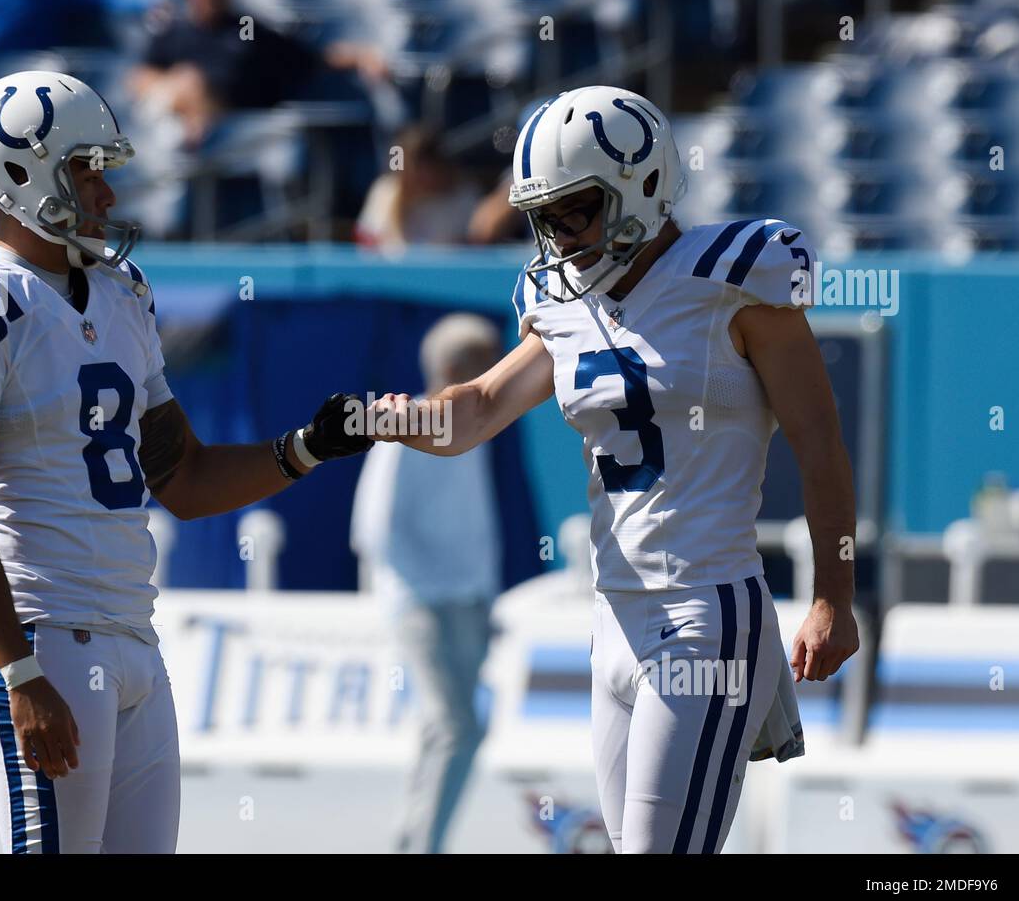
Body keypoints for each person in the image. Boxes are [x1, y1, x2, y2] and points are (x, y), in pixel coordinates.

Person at [367, 85, 859, 854]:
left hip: (704, 612)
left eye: (576, 208)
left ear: (643, 182)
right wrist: (387, 419)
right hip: (613, 618)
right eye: (545, 216)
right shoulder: (563, 306)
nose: (559, 235)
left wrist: (834, 595)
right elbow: (480, 408)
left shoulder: (734, 279)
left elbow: (820, 439)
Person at [0, 71, 372, 853]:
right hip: (42, 635)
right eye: (86, 170)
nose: (106, 195)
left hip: (134, 640)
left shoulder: (121, 292)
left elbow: (182, 478)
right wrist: (17, 671)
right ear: (23, 175)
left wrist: (307, 448)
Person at [351, 313, 503, 854]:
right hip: (424, 603)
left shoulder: (473, 429)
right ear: (454, 367)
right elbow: (375, 529)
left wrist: (483, 597)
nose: (499, 371)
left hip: (466, 602)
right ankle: (423, 845)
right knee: (458, 727)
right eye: (486, 361)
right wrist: (418, 601)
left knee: (447, 730)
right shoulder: (410, 428)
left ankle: (412, 840)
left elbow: (474, 525)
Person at [130, 0, 388, 147]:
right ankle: (179, 124)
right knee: (186, 81)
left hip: (234, 117)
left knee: (193, 82)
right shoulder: (173, 31)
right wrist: (177, 83)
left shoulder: (247, 29)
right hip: (174, 109)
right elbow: (139, 77)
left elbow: (309, 58)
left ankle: (184, 126)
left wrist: (359, 55)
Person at [354, 127, 482, 251]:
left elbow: (472, 248)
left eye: (425, 166)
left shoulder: (463, 195)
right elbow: (371, 246)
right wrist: (398, 204)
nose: (421, 175)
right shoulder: (386, 190)